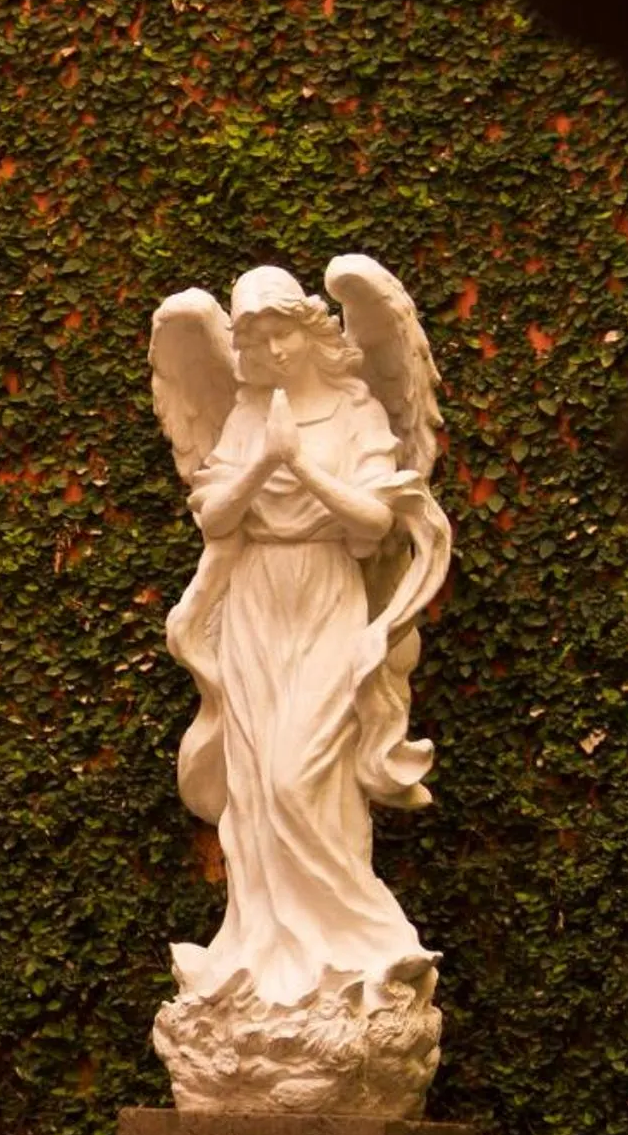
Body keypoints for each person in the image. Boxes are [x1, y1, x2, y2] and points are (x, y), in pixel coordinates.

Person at [165, 266, 436, 1009]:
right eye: (254, 341)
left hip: (327, 598)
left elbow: (372, 526)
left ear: (310, 331)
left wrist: (300, 465)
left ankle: (359, 946)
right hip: (255, 606)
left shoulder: (355, 410)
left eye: (279, 334)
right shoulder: (248, 413)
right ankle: (267, 963)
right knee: (255, 790)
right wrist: (262, 460)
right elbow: (215, 518)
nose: (269, 353)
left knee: (302, 778)